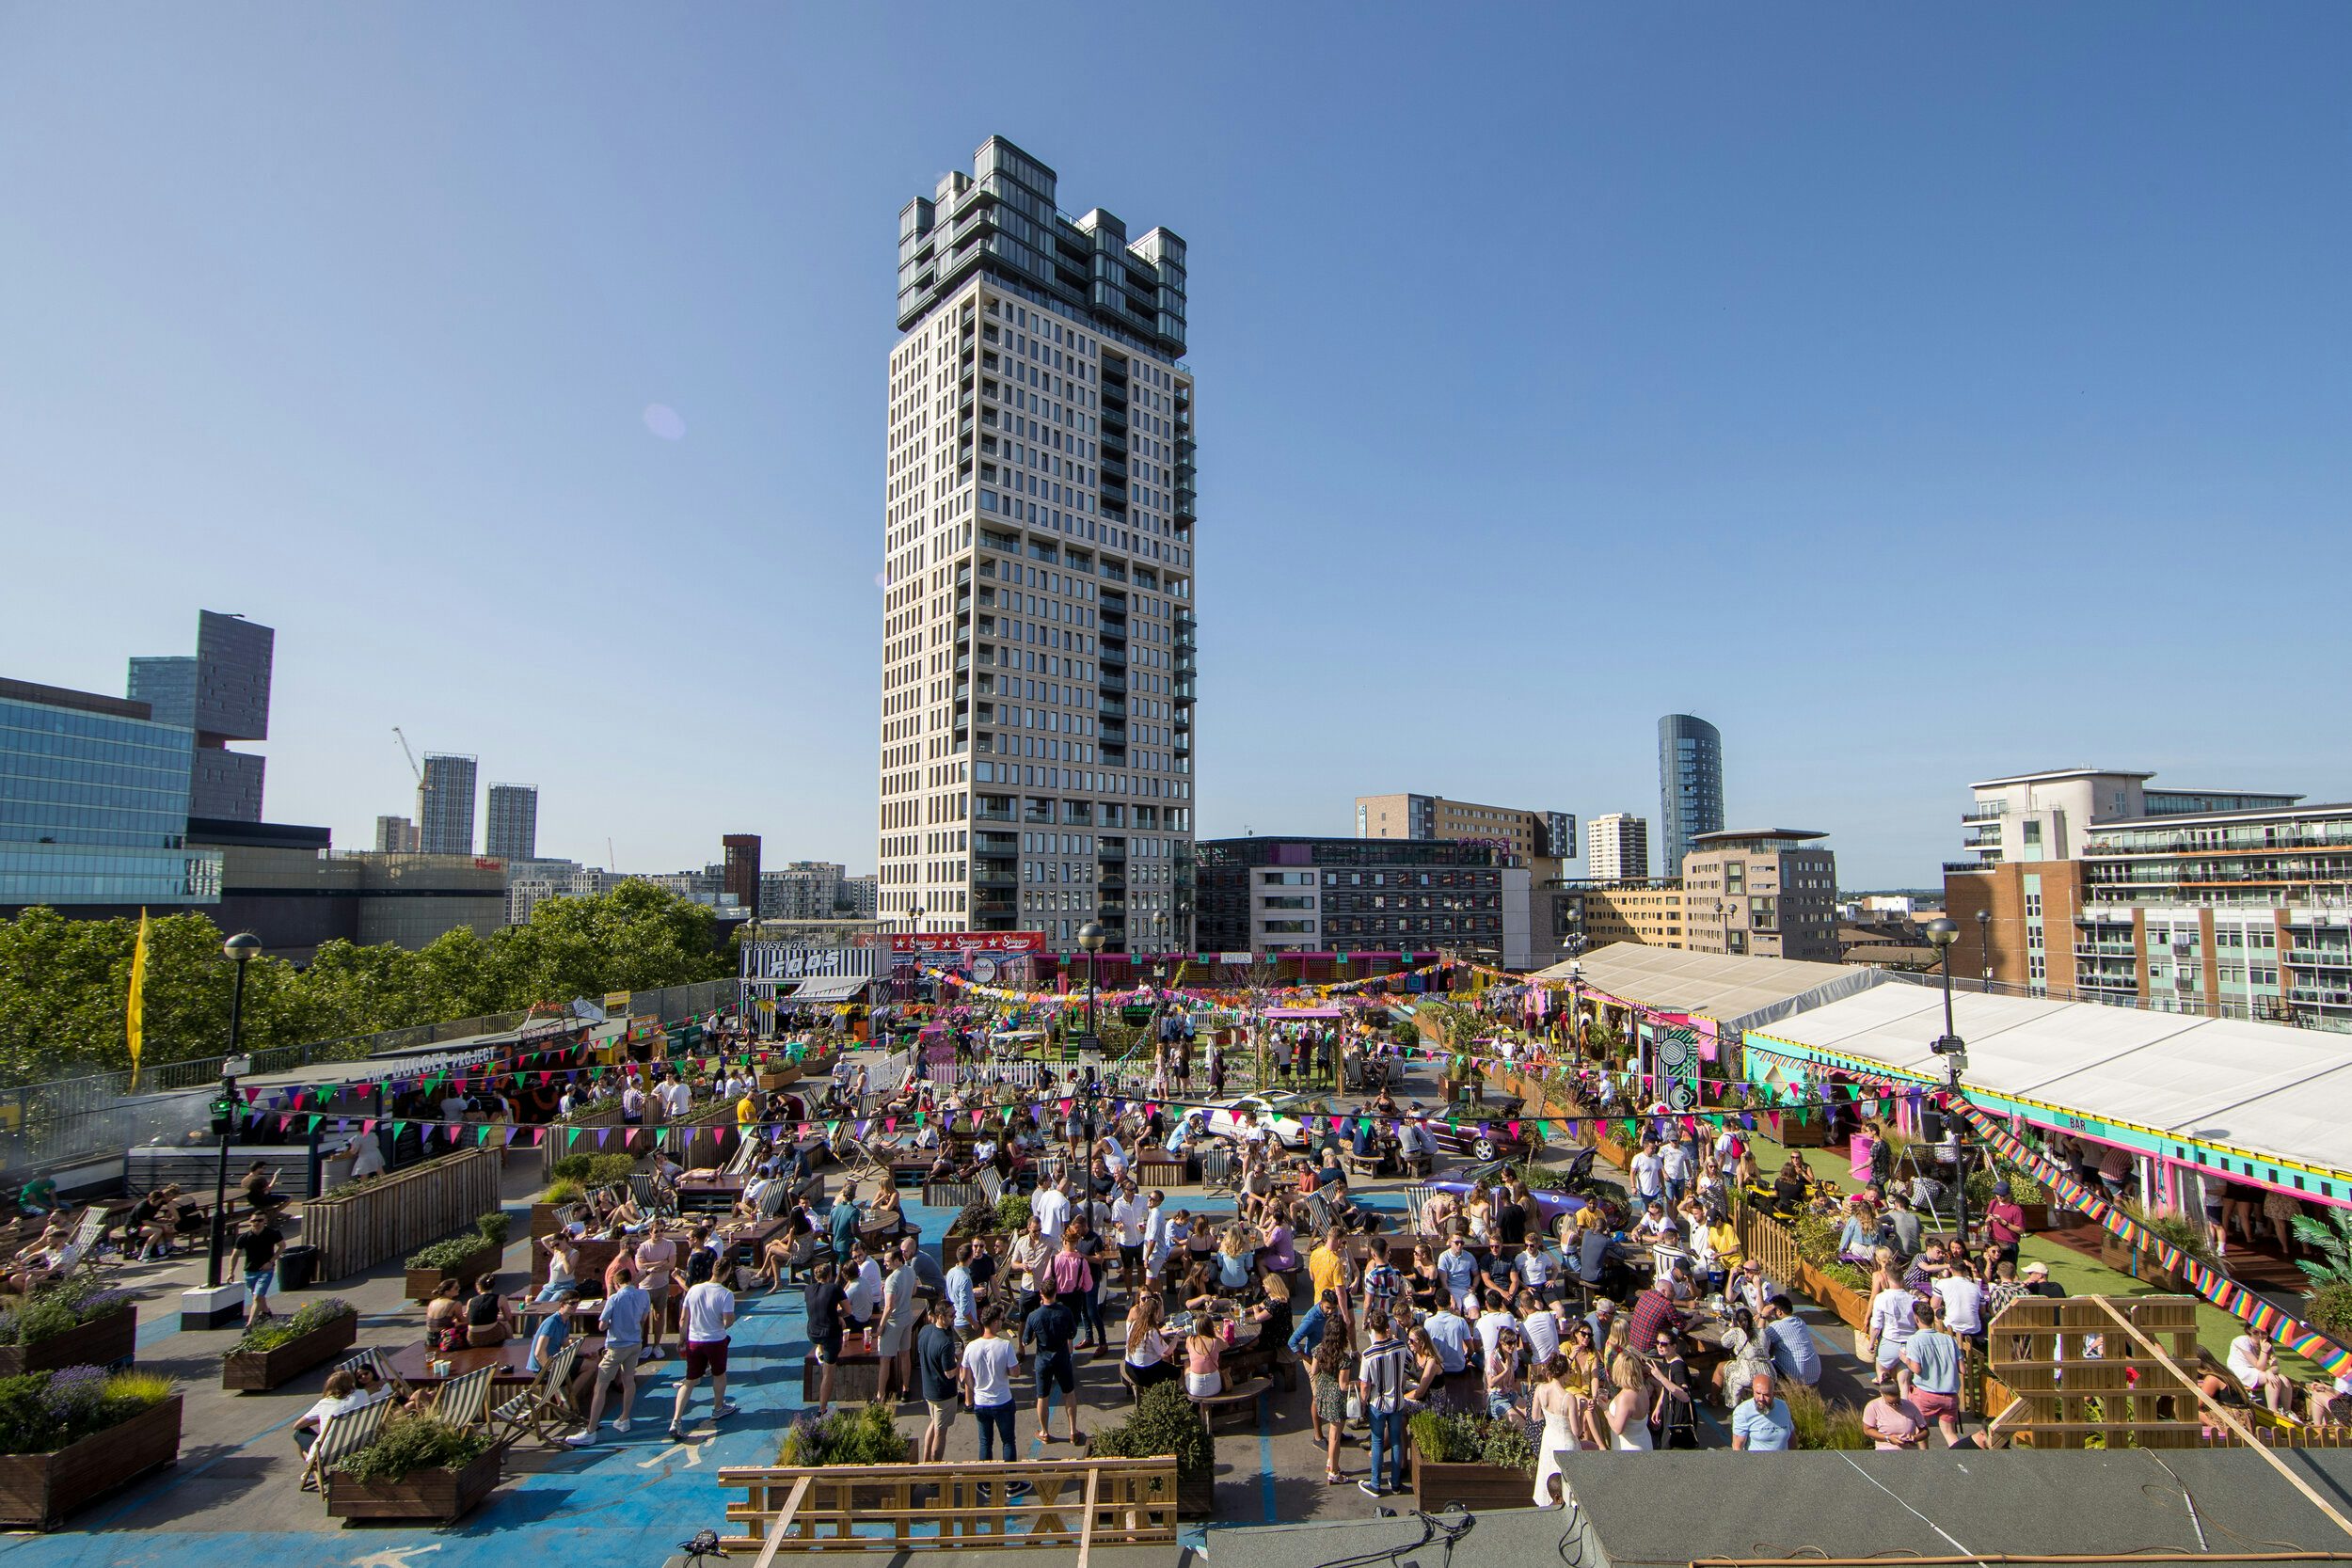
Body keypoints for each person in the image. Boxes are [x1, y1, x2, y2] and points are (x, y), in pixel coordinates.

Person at [566, 1264, 651, 1444]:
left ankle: (591, 1430)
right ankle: (624, 1419)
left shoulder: (614, 1299)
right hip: (635, 1343)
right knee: (629, 1381)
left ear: (617, 1284)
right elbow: (644, 1318)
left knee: (600, 1386)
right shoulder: (644, 1294)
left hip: (616, 1345)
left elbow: (602, 1325)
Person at [669, 1263, 739, 1441]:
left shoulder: (693, 1290)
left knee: (690, 1380)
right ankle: (718, 1407)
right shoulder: (726, 1294)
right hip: (715, 1340)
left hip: (694, 1340)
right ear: (725, 1273)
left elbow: (684, 1318)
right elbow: (727, 1322)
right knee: (719, 1374)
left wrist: (681, 1338)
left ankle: (676, 1419)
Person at [1357, 1311, 1412, 1498]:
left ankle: (1375, 1483)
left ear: (1372, 1328)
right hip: (1397, 1402)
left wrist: (1363, 1402)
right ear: (1387, 1327)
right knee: (1396, 1441)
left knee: (1378, 1442)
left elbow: (1364, 1384)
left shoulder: (1369, 1354)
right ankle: (1396, 1483)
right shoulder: (1400, 1346)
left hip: (1377, 1404)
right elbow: (1410, 1362)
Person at [961, 1307, 1025, 1465]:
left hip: (981, 1402)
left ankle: (986, 1481)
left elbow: (965, 1376)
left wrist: (975, 1388)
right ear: (995, 1322)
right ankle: (1011, 1482)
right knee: (1008, 1441)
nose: (1002, 1323)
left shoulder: (971, 1347)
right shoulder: (1004, 1345)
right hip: (1002, 1400)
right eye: (1001, 1320)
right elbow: (1015, 1372)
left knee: (985, 1442)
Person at [1024, 1281, 1084, 1444]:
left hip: (1043, 1359)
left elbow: (1026, 1340)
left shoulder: (1034, 1316)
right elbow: (1072, 1332)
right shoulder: (1065, 1312)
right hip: (1062, 1357)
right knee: (1069, 1393)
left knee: (1042, 1397)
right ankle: (1073, 1431)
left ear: (1041, 1294)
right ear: (1055, 1293)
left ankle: (1045, 1432)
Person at [1903, 1298, 1965, 1447]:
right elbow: (1962, 1369)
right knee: (1950, 1433)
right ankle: (1962, 1460)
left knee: (1922, 1430)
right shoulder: (1949, 1339)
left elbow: (1917, 1369)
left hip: (1926, 1394)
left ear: (1917, 1319)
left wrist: (1905, 1360)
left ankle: (1926, 1461)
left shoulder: (1914, 1340)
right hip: (1950, 1396)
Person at [915, 1301, 961, 1462]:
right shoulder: (945, 1342)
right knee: (941, 1433)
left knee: (934, 1424)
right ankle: (935, 1469)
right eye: (951, 1315)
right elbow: (949, 1374)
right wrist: (960, 1361)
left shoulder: (925, 1331)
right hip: (944, 1394)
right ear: (940, 1317)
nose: (954, 1318)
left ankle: (926, 1461)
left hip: (929, 1389)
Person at [877, 1241, 919, 1405]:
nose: (884, 1263)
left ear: (896, 1260)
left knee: (885, 1359)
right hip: (907, 1317)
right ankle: (905, 1389)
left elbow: (889, 1306)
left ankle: (880, 1396)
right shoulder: (910, 1270)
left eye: (887, 1261)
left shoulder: (891, 1280)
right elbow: (914, 1291)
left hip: (894, 1322)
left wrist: (881, 1325)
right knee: (905, 1354)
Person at [803, 1259, 846, 1418]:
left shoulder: (808, 1290)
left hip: (812, 1333)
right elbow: (848, 1309)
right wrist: (839, 1315)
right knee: (828, 1372)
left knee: (821, 1343)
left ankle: (819, 1349)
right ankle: (823, 1409)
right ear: (829, 1276)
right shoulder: (834, 1288)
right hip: (830, 1335)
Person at [1311, 1335, 1355, 1485]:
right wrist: (1359, 1384)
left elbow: (1314, 1370)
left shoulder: (1319, 1349)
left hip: (1323, 1390)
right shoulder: (1344, 1359)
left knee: (1331, 1432)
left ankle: (1331, 1462)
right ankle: (1334, 1473)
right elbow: (1344, 1385)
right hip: (1336, 1395)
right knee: (1335, 1435)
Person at [1646, 1325, 1697, 1449]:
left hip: (1678, 1413)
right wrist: (1658, 1407)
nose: (1659, 1346)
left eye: (1664, 1344)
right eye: (1657, 1342)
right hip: (1670, 1407)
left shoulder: (1677, 1366)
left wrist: (1660, 1377)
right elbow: (1666, 1387)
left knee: (1670, 1445)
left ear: (1674, 1346)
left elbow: (1685, 1396)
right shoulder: (1667, 1359)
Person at [2230, 1329, 2296, 1416]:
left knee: (2284, 1379)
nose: (2260, 1335)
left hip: (2258, 1371)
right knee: (2273, 1379)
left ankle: (2288, 1411)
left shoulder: (2267, 1345)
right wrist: (2264, 1351)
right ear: (2249, 1331)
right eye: (2256, 1332)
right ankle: (2273, 1411)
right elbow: (2259, 1366)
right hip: (2240, 1370)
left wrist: (2269, 1371)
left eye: (2264, 1333)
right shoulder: (2241, 1341)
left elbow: (2276, 1367)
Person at [236, 1210, 284, 1326]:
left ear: (265, 1221)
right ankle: (266, 1312)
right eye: (254, 1220)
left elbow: (282, 1246)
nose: (256, 1223)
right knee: (258, 1296)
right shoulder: (244, 1237)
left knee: (257, 1297)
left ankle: (250, 1324)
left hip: (266, 1270)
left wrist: (271, 1262)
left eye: (260, 1220)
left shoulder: (273, 1233)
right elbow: (235, 1255)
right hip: (249, 1271)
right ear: (250, 1222)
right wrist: (230, 1272)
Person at [1863, 1370, 1929, 1449]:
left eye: (1898, 1402)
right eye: (1891, 1403)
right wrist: (1887, 1438)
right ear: (1882, 1394)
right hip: (1885, 1451)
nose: (1895, 1405)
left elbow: (1925, 1430)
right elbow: (1867, 1430)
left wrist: (1915, 1438)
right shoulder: (1873, 1407)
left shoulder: (1910, 1406)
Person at [1731, 1373, 1794, 1451]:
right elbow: (1737, 1447)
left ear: (1773, 1394)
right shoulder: (1743, 1412)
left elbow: (1792, 1437)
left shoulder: (1783, 1407)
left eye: (1766, 1395)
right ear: (1753, 1391)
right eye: (1758, 1393)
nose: (1761, 1398)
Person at [464, 1272, 515, 1347]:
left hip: (473, 1337)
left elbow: (468, 1320)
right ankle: (511, 1345)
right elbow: (508, 1317)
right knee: (506, 1324)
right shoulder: (501, 1298)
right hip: (492, 1335)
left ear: (478, 1286)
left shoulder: (471, 1301)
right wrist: (497, 1317)